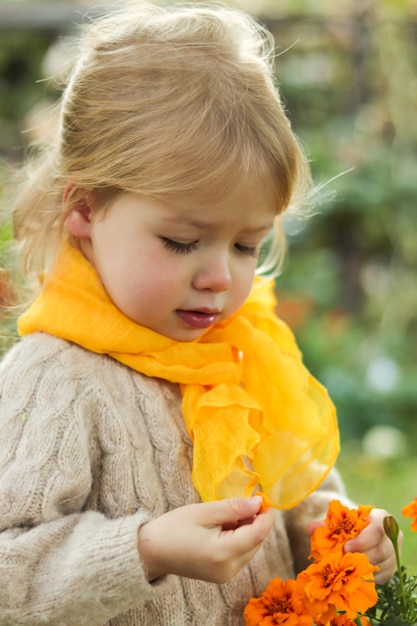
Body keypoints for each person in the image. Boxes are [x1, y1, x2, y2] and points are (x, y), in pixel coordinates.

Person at [0, 2, 399, 625]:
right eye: (182, 241)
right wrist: (145, 551)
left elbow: (297, 494)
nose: (219, 277)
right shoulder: (55, 381)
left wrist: (339, 535)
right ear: (83, 210)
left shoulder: (245, 350)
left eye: (246, 245)